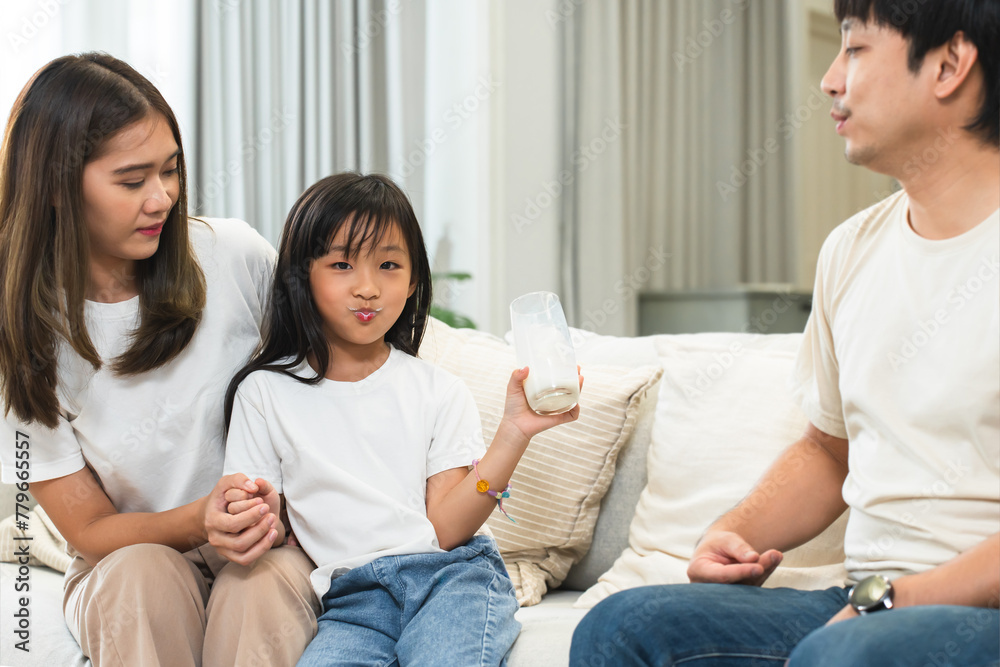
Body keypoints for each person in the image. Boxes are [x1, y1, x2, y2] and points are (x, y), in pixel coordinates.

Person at [570, 0, 999, 665]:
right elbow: (830, 449)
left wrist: (893, 601)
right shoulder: (851, 250)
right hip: (863, 602)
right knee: (620, 627)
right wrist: (733, 529)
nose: (830, 79)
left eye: (854, 49)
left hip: (970, 609)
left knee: (842, 656)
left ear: (948, 64)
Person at [0, 53, 320, 666]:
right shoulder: (22, 336)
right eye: (132, 180)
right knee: (144, 578)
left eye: (170, 171)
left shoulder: (233, 256)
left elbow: (323, 393)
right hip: (127, 555)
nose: (163, 197)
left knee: (258, 590)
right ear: (56, 189)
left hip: (265, 545)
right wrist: (202, 519)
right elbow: (89, 529)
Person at [218, 172, 581, 666]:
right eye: (342, 264)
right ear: (304, 274)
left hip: (452, 577)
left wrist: (514, 432)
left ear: (412, 281)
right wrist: (258, 515)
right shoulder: (263, 393)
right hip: (353, 600)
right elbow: (267, 522)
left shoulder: (437, 390)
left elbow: (445, 529)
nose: (368, 288)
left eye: (389, 265)